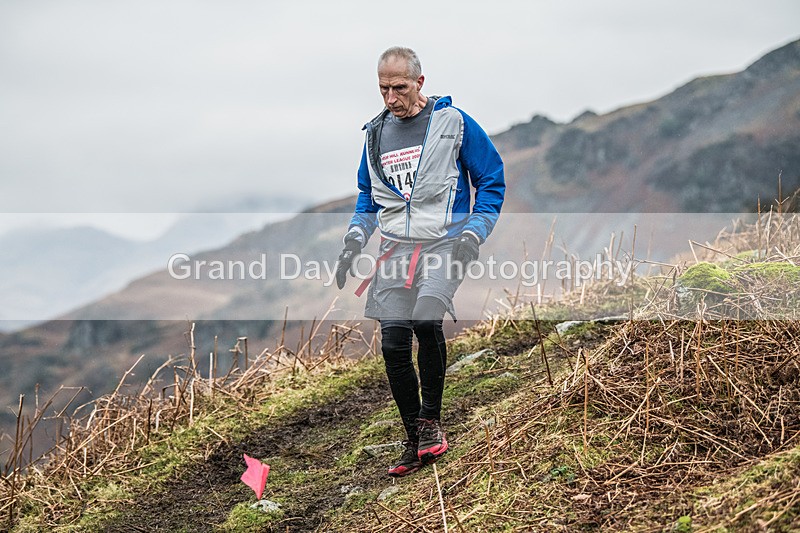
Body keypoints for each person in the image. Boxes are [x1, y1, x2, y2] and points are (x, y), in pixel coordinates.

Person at [336, 46, 505, 477]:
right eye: (383, 89)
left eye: (399, 87)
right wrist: (355, 238)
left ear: (420, 83)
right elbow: (366, 196)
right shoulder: (374, 134)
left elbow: (490, 180)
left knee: (426, 321)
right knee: (393, 344)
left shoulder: (454, 124)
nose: (391, 98)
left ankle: (431, 422)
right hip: (394, 248)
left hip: (445, 243)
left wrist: (474, 232)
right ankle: (415, 437)